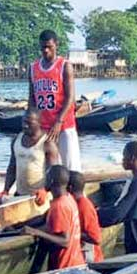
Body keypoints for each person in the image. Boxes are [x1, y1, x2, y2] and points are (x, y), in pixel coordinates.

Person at [29, 29, 80, 171]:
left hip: (64, 125)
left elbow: (70, 98)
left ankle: (75, 192)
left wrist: (59, 121)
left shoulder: (64, 66)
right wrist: (31, 123)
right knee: (47, 167)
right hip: (43, 126)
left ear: (56, 45)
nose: (46, 50)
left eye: (49, 47)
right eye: (43, 47)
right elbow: (32, 99)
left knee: (71, 167)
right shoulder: (33, 68)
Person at [98, 141, 137, 253]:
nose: (122, 160)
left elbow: (117, 214)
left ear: (132, 158)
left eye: (124, 157)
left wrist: (94, 214)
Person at [25, 165, 85, 269]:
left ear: (51, 181)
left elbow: (65, 241)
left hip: (66, 265)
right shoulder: (69, 198)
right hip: (76, 261)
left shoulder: (59, 206)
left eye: (47, 177)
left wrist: (36, 232)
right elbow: (54, 226)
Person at [0, 108, 60, 200]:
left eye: (29, 123)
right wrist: (6, 190)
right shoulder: (16, 140)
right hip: (20, 194)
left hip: (40, 196)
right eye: (23, 122)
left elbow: (53, 172)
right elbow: (12, 167)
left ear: (39, 123)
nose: (25, 126)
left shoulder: (47, 143)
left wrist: (45, 190)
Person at [68, 171, 103, 263]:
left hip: (90, 257)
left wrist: (73, 232)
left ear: (69, 188)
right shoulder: (73, 204)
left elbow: (96, 238)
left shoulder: (84, 206)